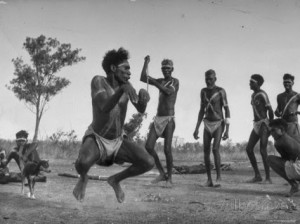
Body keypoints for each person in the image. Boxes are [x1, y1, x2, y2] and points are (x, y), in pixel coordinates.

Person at [73, 48, 154, 203]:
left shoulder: (127, 85)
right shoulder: (98, 81)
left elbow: (140, 109)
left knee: (148, 162)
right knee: (82, 163)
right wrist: (122, 90)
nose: (129, 73)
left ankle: (115, 180)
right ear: (113, 68)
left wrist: (144, 98)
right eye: (126, 68)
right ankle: (83, 178)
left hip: (118, 141)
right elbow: (104, 106)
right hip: (97, 139)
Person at [140, 55, 179, 188]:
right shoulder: (160, 80)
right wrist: (146, 62)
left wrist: (156, 83)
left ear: (172, 69)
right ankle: (162, 174)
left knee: (167, 149)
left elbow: (168, 92)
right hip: (158, 118)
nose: (165, 70)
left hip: (168, 119)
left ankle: (170, 179)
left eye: (168, 68)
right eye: (163, 68)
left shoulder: (175, 82)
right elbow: (142, 78)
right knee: (148, 146)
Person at [193, 69, 230, 187]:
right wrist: (196, 128)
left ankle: (219, 176)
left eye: (210, 79)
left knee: (215, 149)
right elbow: (201, 110)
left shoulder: (220, 91)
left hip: (219, 123)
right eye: (206, 79)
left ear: (215, 79)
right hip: (207, 123)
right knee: (206, 151)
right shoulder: (203, 91)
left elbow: (227, 109)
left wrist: (227, 130)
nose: (208, 81)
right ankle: (209, 179)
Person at [245, 74, 274, 184]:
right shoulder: (253, 95)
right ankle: (257, 175)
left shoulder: (263, 94)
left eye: (252, 82)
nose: (250, 84)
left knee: (263, 150)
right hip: (256, 124)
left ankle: (268, 178)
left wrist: (270, 125)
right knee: (249, 149)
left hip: (264, 124)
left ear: (258, 83)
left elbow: (270, 110)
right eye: (250, 81)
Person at [267, 119, 300, 197]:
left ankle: (294, 185)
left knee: (270, 159)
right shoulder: (288, 138)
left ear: (281, 130)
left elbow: (285, 163)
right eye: (270, 131)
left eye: (273, 130)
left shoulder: (280, 142)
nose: (271, 134)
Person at [275, 73, 300, 141]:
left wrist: (297, 112)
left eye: (289, 82)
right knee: (282, 145)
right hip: (283, 124)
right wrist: (277, 112)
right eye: (285, 82)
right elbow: (278, 110)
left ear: (293, 83)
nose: (286, 84)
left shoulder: (297, 95)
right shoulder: (279, 96)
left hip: (293, 123)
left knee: (295, 145)